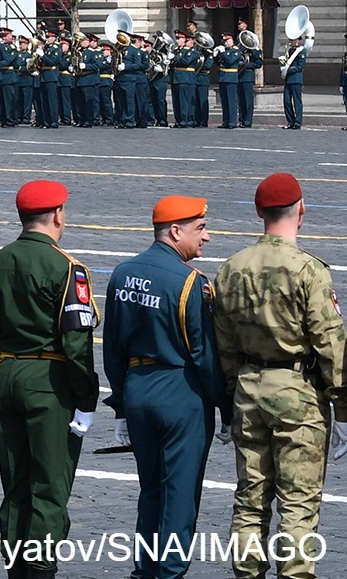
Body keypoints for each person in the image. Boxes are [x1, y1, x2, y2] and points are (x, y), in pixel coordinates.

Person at [212, 173, 347, 579]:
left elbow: (225, 345)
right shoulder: (309, 271)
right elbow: (331, 344)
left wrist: (233, 394)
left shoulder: (231, 269)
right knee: (298, 503)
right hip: (298, 394)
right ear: (301, 210)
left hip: (249, 391)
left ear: (259, 212)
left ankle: (247, 572)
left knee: (250, 500)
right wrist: (342, 406)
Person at [0, 180, 98, 579]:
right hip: (49, 380)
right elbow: (76, 343)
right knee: (50, 484)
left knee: (16, 483)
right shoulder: (67, 267)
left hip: (4, 375)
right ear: (57, 215)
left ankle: (15, 567)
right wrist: (86, 398)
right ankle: (40, 569)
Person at [103, 195, 226, 579]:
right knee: (180, 497)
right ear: (176, 231)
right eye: (200, 228)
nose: (206, 237)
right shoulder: (191, 282)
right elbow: (204, 355)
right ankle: (171, 572)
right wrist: (226, 406)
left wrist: (122, 402)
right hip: (180, 392)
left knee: (150, 491)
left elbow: (112, 347)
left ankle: (143, 571)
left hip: (138, 390)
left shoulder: (122, 273)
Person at [280, 32, 306, 129]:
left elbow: (299, 67)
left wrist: (288, 69)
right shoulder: (290, 51)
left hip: (296, 79)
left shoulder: (301, 51)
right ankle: (290, 121)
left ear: (298, 40)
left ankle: (297, 122)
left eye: (294, 40)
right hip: (288, 80)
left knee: (296, 101)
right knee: (286, 101)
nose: (292, 42)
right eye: (291, 40)